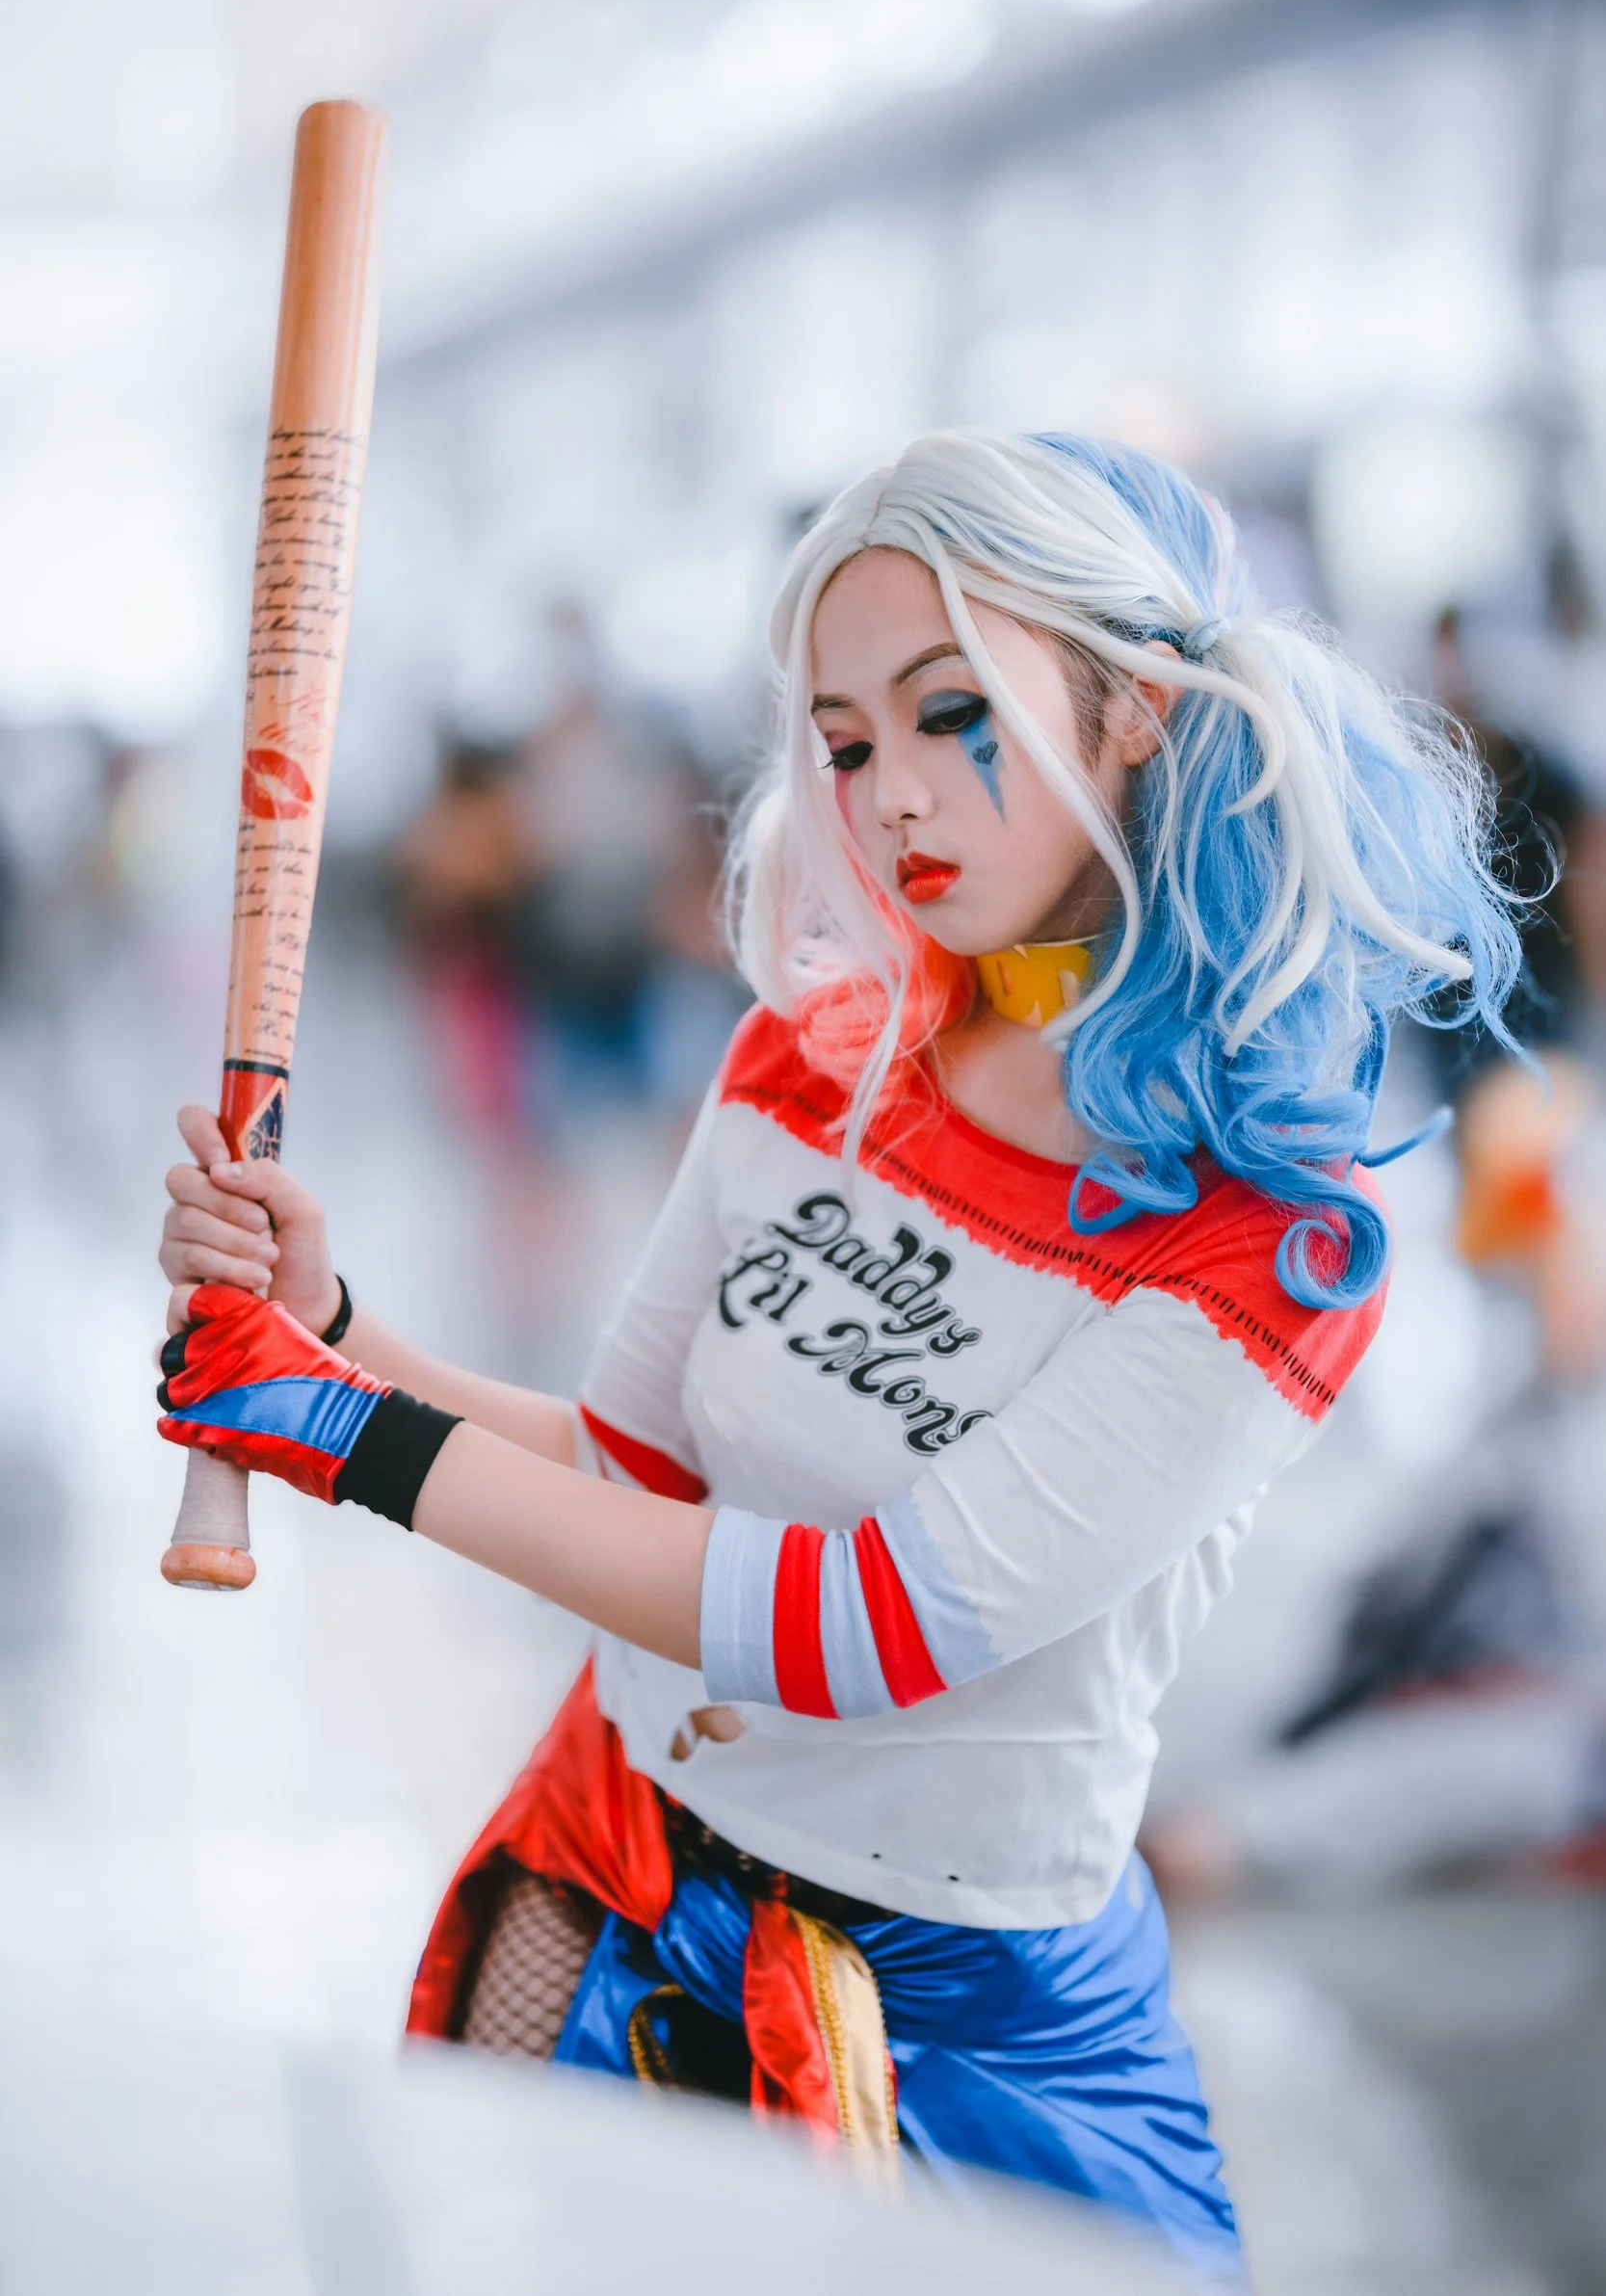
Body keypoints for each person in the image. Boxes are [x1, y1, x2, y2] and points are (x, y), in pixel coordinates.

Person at [154, 432, 1518, 2282]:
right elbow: (636, 1478)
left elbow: (868, 1623)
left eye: (951, 711)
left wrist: (354, 1442)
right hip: (611, 1874)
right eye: (847, 739)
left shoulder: (1275, 1237)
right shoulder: (813, 1058)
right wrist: (333, 1342)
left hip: (957, 2019)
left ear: (1130, 709)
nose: (887, 796)